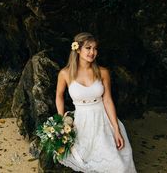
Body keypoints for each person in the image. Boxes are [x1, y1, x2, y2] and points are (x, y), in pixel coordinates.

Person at [55, 32, 137, 173]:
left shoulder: (103, 72)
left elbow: (107, 100)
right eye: (88, 48)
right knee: (84, 160)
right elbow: (59, 96)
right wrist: (61, 120)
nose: (92, 52)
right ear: (78, 49)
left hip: (102, 120)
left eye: (95, 48)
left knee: (120, 167)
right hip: (81, 121)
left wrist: (116, 129)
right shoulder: (65, 73)